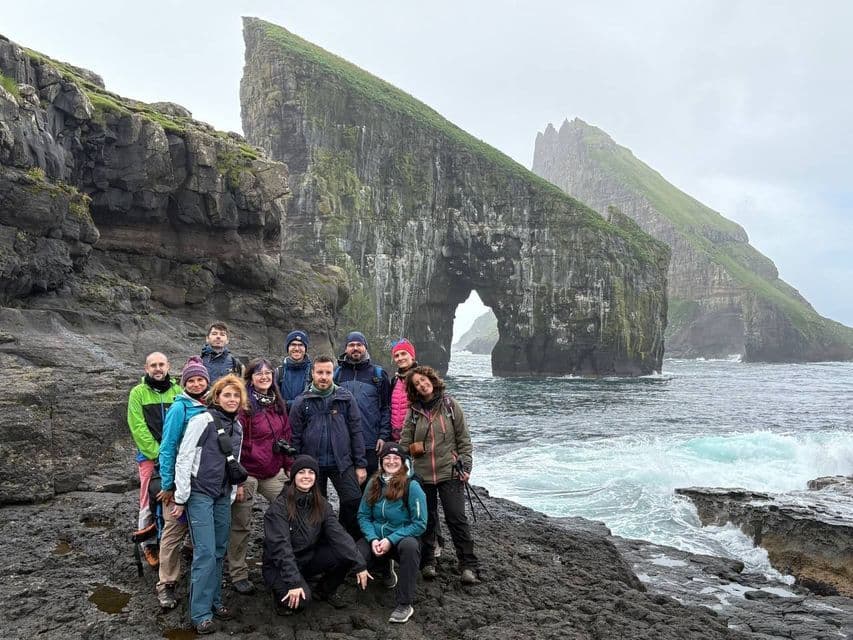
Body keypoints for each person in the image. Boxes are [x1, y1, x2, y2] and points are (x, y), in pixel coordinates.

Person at [172, 374, 247, 635]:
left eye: (236, 395)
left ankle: (215, 603)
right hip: (200, 493)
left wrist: (234, 490)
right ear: (216, 396)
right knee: (204, 552)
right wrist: (181, 497)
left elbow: (234, 462)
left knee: (219, 549)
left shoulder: (238, 427)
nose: (232, 399)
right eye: (227, 395)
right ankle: (200, 613)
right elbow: (184, 458)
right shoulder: (201, 420)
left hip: (222, 495)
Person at [399, 366, 480, 585]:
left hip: (450, 471)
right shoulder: (413, 412)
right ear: (413, 389)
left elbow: (464, 439)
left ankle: (468, 565)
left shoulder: (450, 406)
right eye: (417, 384)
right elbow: (404, 442)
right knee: (427, 520)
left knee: (456, 518)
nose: (422, 385)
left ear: (431, 380)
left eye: (424, 380)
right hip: (423, 475)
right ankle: (428, 562)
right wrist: (406, 456)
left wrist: (466, 466)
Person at [262, 455, 370, 615]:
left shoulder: (322, 504)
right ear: (293, 476)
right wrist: (293, 582)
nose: (306, 476)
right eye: (301, 472)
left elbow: (339, 535)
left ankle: (324, 590)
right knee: (301, 603)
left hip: (307, 559)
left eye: (311, 473)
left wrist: (359, 564)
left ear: (316, 477)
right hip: (279, 566)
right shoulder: (278, 508)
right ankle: (280, 593)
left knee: (346, 554)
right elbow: (281, 549)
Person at [228, 358, 294, 595]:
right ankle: (238, 572)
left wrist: (288, 465)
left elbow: (286, 434)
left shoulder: (277, 402)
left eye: (268, 373)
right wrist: (237, 479)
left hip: (273, 470)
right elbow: (234, 443)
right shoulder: (244, 405)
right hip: (247, 473)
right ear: (250, 378)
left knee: (293, 507)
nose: (264, 377)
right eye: (259, 373)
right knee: (242, 524)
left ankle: (287, 560)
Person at [289, 355, 367, 540]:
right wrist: (295, 465)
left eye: (328, 372)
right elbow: (294, 436)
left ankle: (346, 541)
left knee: (352, 500)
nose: (324, 377)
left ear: (333, 373)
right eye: (320, 372)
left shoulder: (345, 398)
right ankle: (319, 543)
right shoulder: (302, 401)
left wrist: (361, 464)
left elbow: (356, 432)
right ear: (313, 374)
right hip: (312, 464)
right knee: (316, 506)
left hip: (342, 461)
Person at [154, 356, 211, 609]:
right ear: (184, 383)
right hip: (179, 481)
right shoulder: (179, 408)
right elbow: (167, 448)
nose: (197, 384)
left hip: (204, 481)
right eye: (192, 380)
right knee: (173, 530)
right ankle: (166, 583)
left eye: (201, 379)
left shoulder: (211, 405)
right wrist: (168, 485)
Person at [356, 442, 427, 624]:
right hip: (377, 538)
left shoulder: (413, 486)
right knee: (357, 554)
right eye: (387, 458)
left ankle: (405, 603)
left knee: (410, 546)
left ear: (403, 462)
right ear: (381, 462)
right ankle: (385, 570)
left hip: (400, 539)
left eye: (396, 458)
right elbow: (363, 515)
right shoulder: (373, 482)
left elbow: (420, 523)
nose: (391, 461)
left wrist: (390, 539)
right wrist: (372, 539)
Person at [127, 351, 182, 568]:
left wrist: (173, 452)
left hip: (175, 455)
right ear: (146, 368)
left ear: (168, 366)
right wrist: (158, 453)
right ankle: (148, 545)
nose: (158, 369)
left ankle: (175, 539)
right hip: (150, 457)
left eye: (161, 364)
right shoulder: (138, 393)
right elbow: (137, 426)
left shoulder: (178, 391)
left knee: (177, 495)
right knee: (147, 501)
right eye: (153, 365)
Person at [334, 331, 391, 476]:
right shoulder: (337, 374)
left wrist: (383, 436)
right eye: (351, 345)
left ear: (365, 347)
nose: (355, 348)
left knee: (370, 488)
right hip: (343, 441)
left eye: (359, 344)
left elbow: (386, 407)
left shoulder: (378, 374)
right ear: (346, 348)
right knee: (347, 488)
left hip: (370, 442)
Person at [389, 338, 418, 442]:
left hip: (414, 438)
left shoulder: (421, 379)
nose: (400, 358)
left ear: (412, 356)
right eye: (396, 356)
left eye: (403, 354)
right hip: (395, 439)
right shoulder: (394, 380)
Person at [276, 329, 312, 411]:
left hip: (306, 421)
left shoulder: (313, 372)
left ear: (305, 348)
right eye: (293, 344)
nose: (297, 348)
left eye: (301, 345)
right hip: (284, 420)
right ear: (288, 348)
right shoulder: (279, 372)